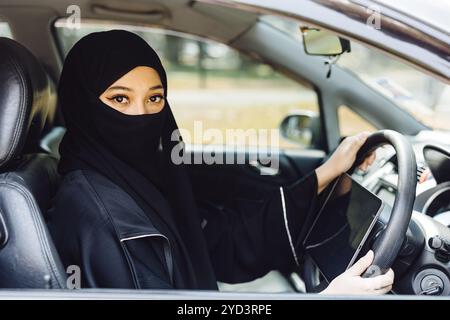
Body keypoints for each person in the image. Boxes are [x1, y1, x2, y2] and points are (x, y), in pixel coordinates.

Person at [47, 30, 394, 294]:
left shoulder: (141, 176)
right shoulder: (95, 211)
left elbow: (217, 244)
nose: (142, 115)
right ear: (83, 104)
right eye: (120, 98)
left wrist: (326, 173)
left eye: (155, 98)